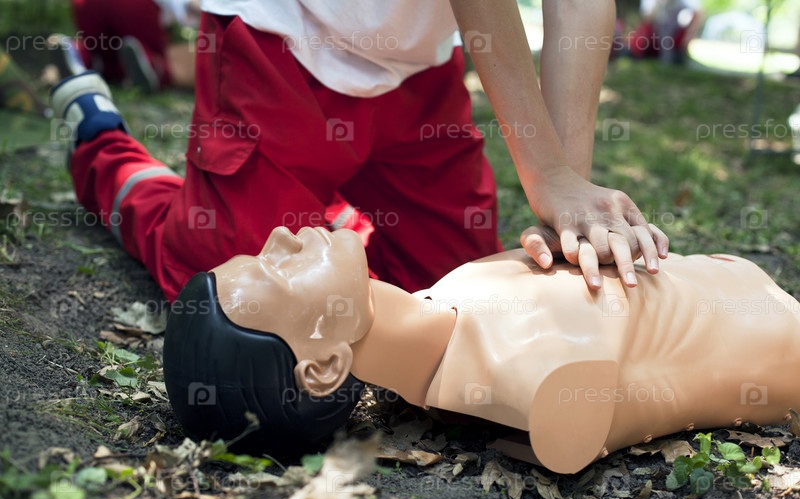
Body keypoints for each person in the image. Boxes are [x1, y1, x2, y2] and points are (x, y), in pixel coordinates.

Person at [50, 0, 669, 305]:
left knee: (459, 295)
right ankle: (104, 148)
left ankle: (323, 219)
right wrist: (547, 173)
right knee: (249, 293)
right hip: (282, 38)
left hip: (417, 72)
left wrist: (569, 208)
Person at [163, 226, 800, 473]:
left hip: (737, 284)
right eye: (277, 271)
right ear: (326, 367)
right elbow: (602, 413)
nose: (280, 236)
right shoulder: (527, 375)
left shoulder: (447, 299)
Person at [49, 0, 199, 91]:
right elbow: (192, 5)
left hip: (86, 5)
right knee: (148, 52)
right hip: (134, 7)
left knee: (100, 51)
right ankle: (153, 66)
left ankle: (78, 56)